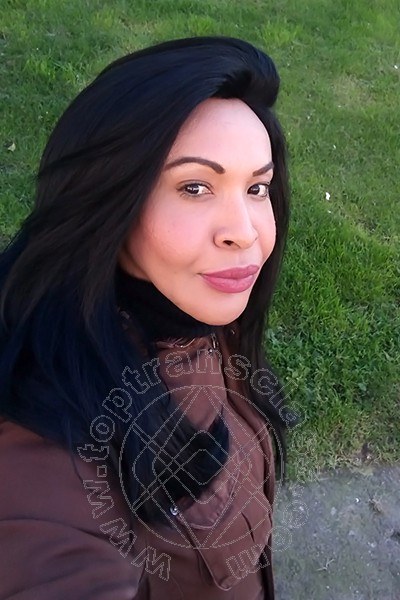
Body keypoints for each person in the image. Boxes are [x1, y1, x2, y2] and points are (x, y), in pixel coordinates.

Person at [0, 36, 293, 599]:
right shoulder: (47, 462)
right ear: (109, 199)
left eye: (257, 187)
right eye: (195, 187)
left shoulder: (189, 308)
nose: (245, 231)